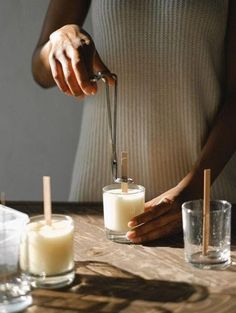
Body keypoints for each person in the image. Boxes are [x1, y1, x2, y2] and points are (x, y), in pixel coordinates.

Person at [32, 0, 236, 243]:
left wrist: (192, 190)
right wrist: (58, 39)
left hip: (202, 201)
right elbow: (40, 71)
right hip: (98, 199)